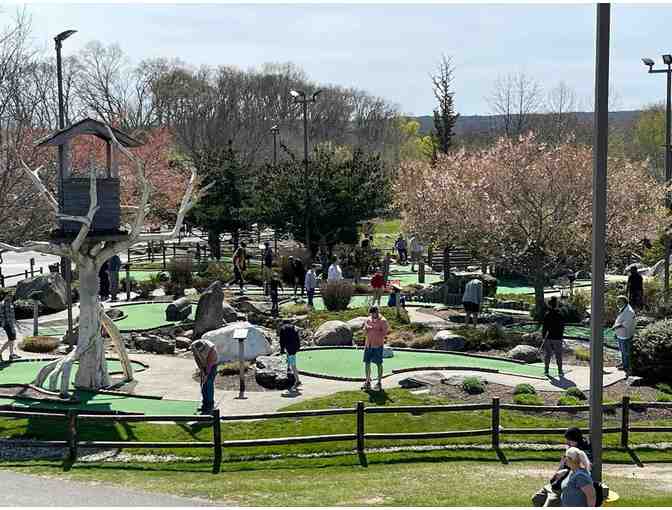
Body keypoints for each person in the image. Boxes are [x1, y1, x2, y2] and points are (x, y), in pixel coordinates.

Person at [533, 427, 592, 507]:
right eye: (567, 441)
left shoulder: (581, 453)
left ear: (576, 440)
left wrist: (566, 471)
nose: (567, 443)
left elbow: (584, 468)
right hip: (555, 484)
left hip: (562, 489)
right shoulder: (570, 448)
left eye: (569, 441)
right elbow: (562, 465)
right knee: (536, 499)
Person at [361, 306, 389, 391]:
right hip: (368, 345)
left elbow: (384, 333)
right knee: (367, 363)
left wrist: (373, 329)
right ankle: (367, 382)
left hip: (377, 345)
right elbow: (364, 332)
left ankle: (379, 383)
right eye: (371, 313)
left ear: (377, 312)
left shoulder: (383, 321)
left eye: (374, 313)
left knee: (378, 363)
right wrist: (366, 329)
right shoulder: (368, 319)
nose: (372, 315)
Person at [191, 338, 218, 414]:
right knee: (203, 384)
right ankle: (204, 403)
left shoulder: (211, 349)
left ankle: (210, 404)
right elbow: (197, 359)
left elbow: (210, 362)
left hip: (212, 365)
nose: (200, 352)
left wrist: (206, 373)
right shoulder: (193, 346)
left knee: (208, 383)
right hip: (203, 364)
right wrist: (201, 370)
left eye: (202, 351)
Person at [542, 296, 565, 378]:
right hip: (557, 337)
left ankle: (546, 371)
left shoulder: (547, 315)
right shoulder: (560, 315)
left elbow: (544, 327)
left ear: (550, 305)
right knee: (558, 355)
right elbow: (562, 327)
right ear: (556, 305)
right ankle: (560, 371)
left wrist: (543, 337)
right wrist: (561, 336)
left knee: (547, 354)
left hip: (548, 337)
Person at [613, 295, 636, 376]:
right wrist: (616, 332)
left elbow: (626, 324)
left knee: (626, 352)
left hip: (625, 335)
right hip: (620, 334)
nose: (617, 303)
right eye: (617, 301)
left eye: (619, 301)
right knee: (622, 351)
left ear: (624, 302)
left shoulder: (629, 311)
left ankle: (627, 368)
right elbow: (619, 320)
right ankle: (623, 364)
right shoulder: (623, 309)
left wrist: (615, 327)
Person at [279, 319, 301, 393]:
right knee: (289, 357)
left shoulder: (283, 329)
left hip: (290, 349)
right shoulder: (294, 328)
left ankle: (297, 380)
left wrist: (282, 349)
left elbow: (281, 341)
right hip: (294, 347)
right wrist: (298, 347)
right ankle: (288, 369)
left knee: (293, 365)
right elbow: (297, 339)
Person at [0, 291, 19, 362]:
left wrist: (14, 322)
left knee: (11, 339)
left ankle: (11, 354)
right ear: (6, 295)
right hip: (8, 324)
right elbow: (6, 316)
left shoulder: (9, 302)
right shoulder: (5, 303)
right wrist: (10, 325)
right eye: (10, 295)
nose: (11, 296)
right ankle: (0, 352)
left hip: (9, 324)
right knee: (11, 339)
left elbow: (10, 314)